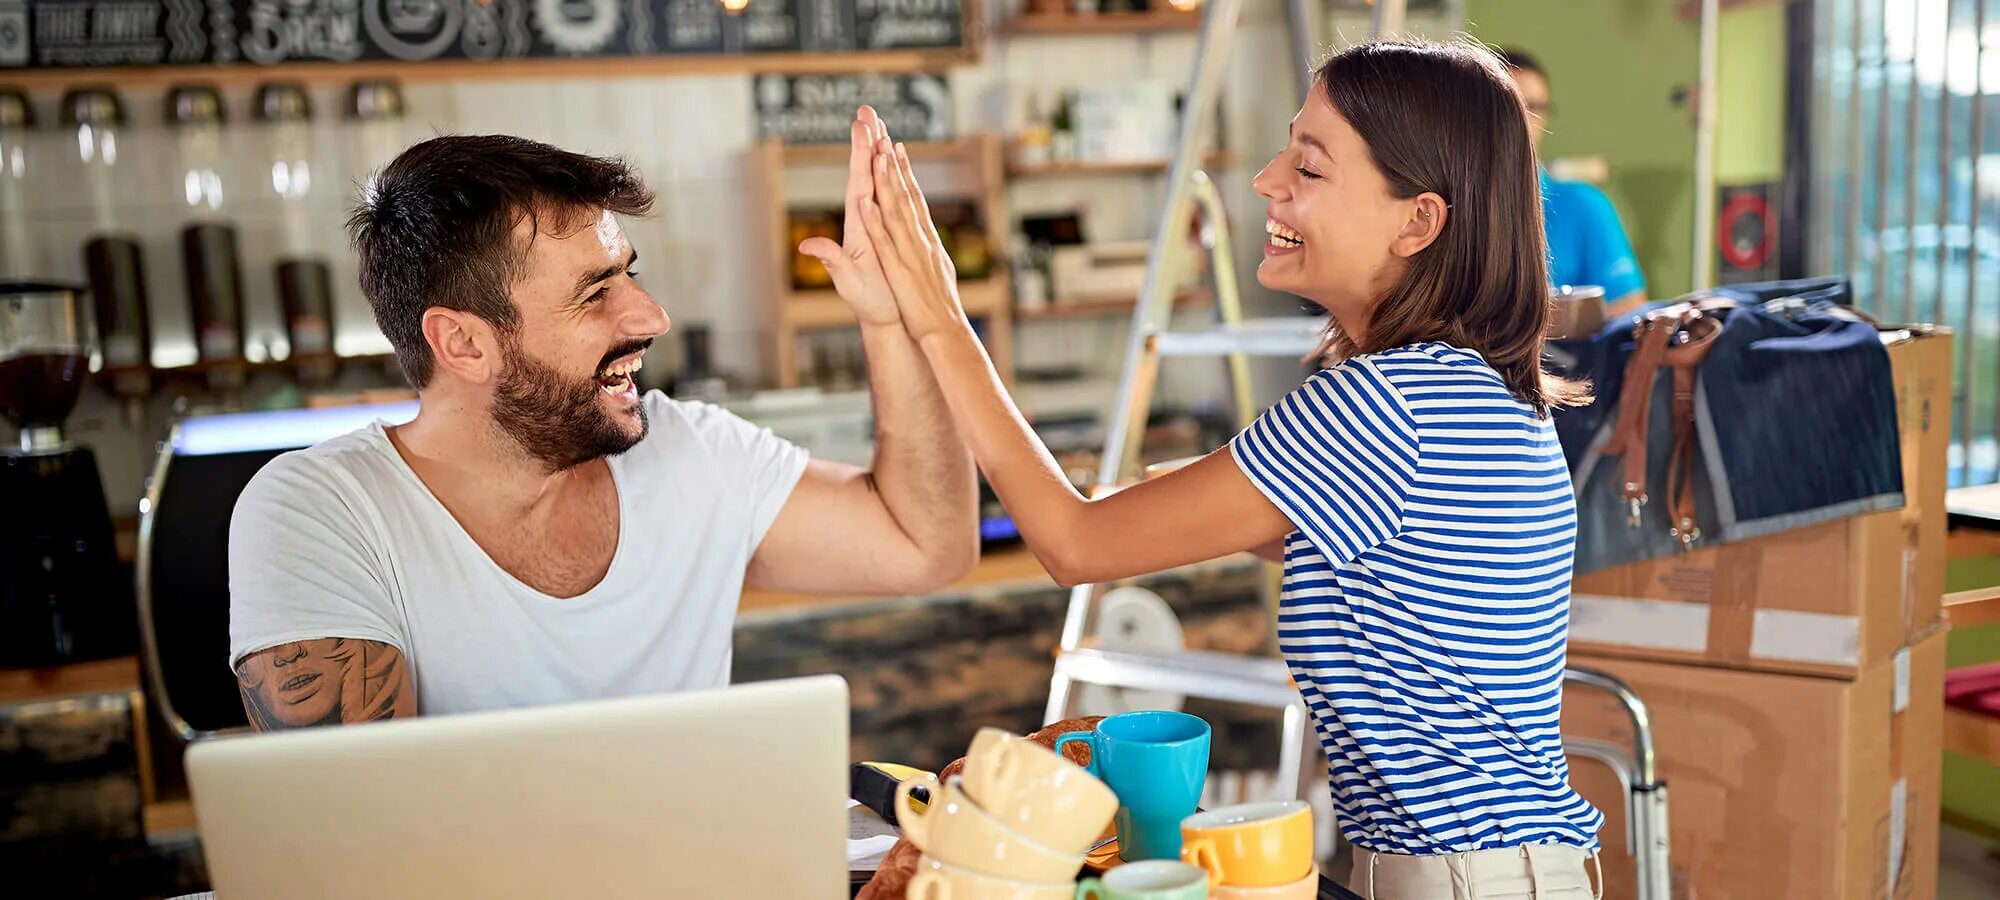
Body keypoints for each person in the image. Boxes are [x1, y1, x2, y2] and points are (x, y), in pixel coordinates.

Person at [856, 41, 1603, 900]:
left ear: (1417, 221)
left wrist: (942, 319)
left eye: (1310, 167)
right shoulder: (1476, 392)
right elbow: (1365, 569)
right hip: (1508, 874)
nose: (1266, 179)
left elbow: (1071, 544)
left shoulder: (1381, 404)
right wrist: (1198, 488)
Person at [229, 111, 979, 730]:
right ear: (462, 343)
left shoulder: (692, 453)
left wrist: (892, 324)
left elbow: (926, 547)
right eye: (596, 294)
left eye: (632, 274)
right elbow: (359, 832)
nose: (652, 317)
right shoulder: (320, 511)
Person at [1503, 47, 1649, 319]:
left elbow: (1629, 305)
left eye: (1535, 107)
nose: (1524, 119)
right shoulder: (1446, 207)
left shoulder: (1586, 206)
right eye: (1510, 105)